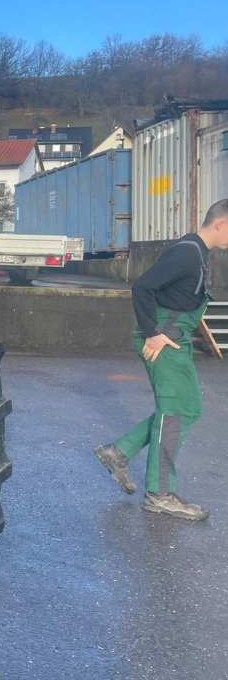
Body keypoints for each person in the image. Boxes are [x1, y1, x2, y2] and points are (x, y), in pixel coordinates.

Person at [95, 199, 228, 521]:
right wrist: (153, 332)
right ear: (222, 224)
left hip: (174, 339)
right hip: (163, 340)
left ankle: (119, 452)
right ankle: (160, 494)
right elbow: (142, 287)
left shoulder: (198, 252)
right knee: (175, 414)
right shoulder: (187, 252)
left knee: (189, 408)